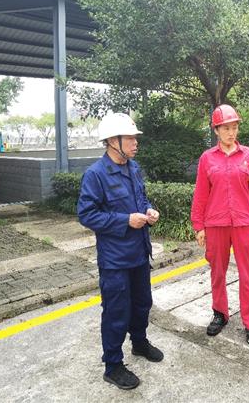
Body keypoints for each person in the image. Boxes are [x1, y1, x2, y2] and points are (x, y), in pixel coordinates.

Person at [77, 112, 163, 390]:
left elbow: (141, 198)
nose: (136, 143)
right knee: (116, 311)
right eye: (130, 138)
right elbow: (86, 215)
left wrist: (148, 209)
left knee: (142, 303)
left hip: (139, 252)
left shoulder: (133, 168)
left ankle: (139, 343)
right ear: (113, 141)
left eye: (135, 138)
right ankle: (113, 365)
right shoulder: (96, 174)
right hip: (115, 259)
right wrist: (125, 220)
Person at [190, 104, 249, 345]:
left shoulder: (248, 156)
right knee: (217, 271)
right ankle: (220, 314)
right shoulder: (207, 159)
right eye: (226, 128)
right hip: (216, 224)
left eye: (234, 127)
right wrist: (198, 225)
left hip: (245, 223)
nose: (231, 133)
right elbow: (201, 193)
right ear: (216, 130)